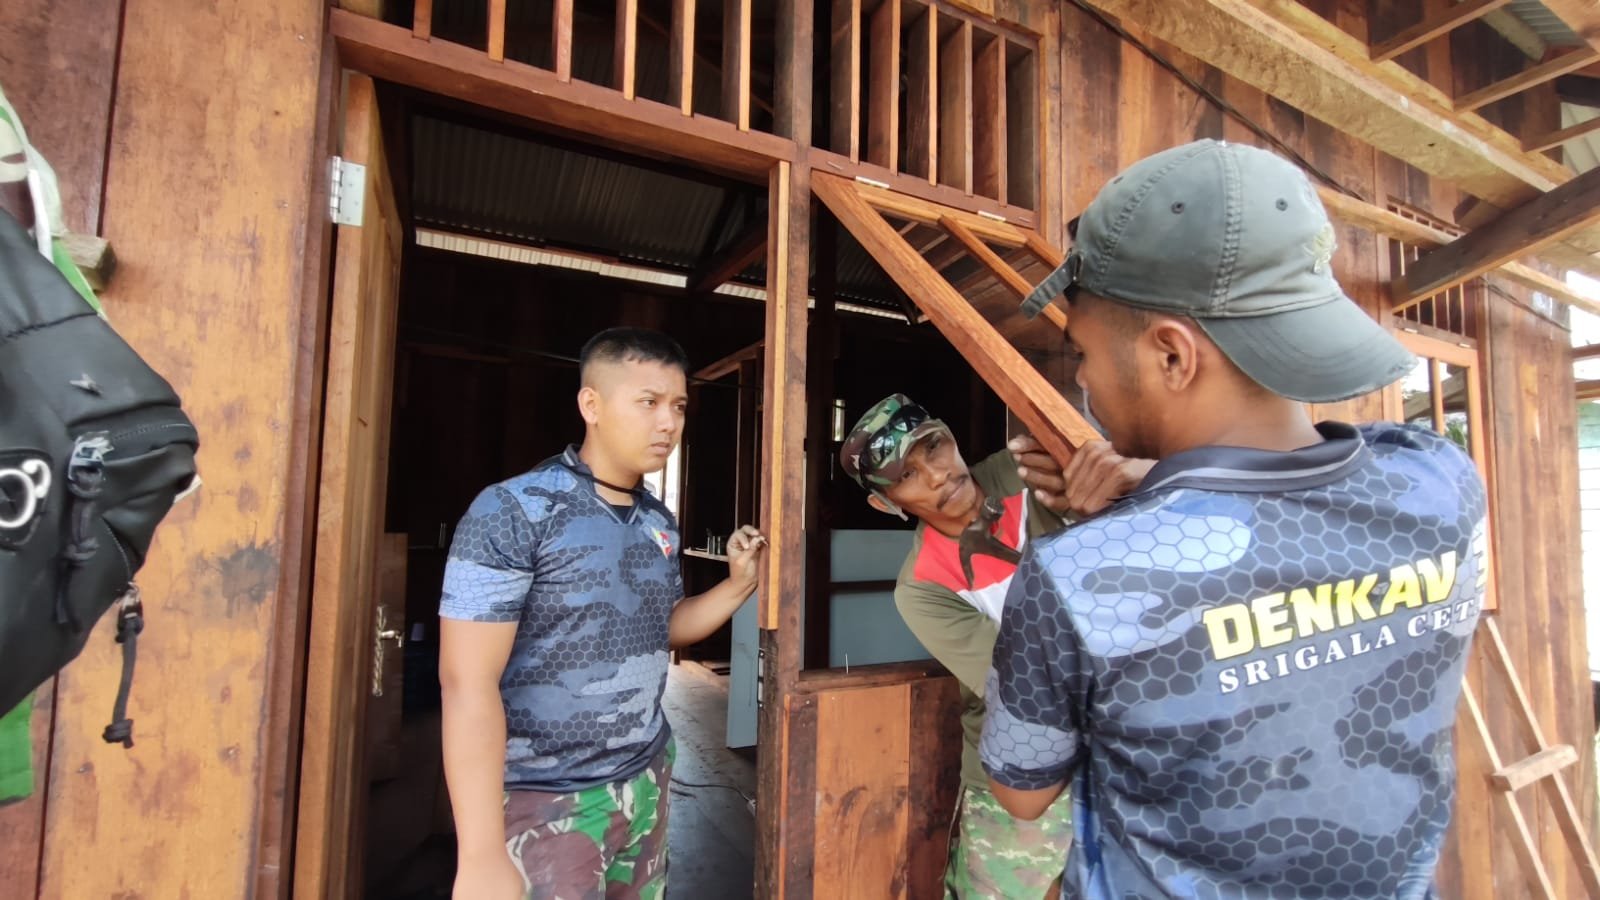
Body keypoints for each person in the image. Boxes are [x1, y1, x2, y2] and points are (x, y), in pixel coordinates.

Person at [981, 139, 1488, 898]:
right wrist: (1169, 488)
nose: (1080, 377)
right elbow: (1307, 484)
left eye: (1080, 350)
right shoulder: (1442, 483)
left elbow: (1022, 793)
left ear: (1173, 357)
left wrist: (1154, 508)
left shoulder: (1081, 575)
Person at [439, 327, 767, 900]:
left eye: (678, 406)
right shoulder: (514, 510)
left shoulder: (658, 521)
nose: (669, 422)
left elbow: (661, 631)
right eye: (649, 402)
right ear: (591, 404)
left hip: (647, 778)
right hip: (547, 799)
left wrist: (740, 585)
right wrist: (481, 852)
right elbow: (466, 683)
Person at [839, 393, 1151, 898]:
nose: (938, 474)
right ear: (885, 503)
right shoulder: (923, 588)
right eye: (907, 475)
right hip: (1027, 774)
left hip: (1129, 750)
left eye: (934, 447)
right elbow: (1031, 690)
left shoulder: (1030, 469)